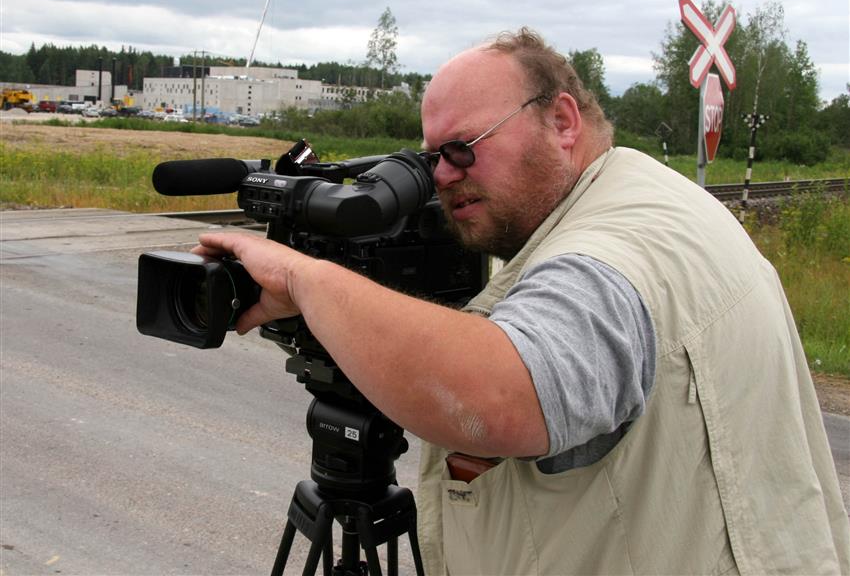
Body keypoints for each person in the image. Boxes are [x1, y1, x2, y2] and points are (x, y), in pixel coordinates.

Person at [193, 28, 850, 574]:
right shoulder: (652, 200)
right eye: (431, 159)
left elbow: (495, 399)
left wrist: (308, 280)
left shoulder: (610, 253)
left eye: (462, 149)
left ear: (561, 121)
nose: (443, 178)